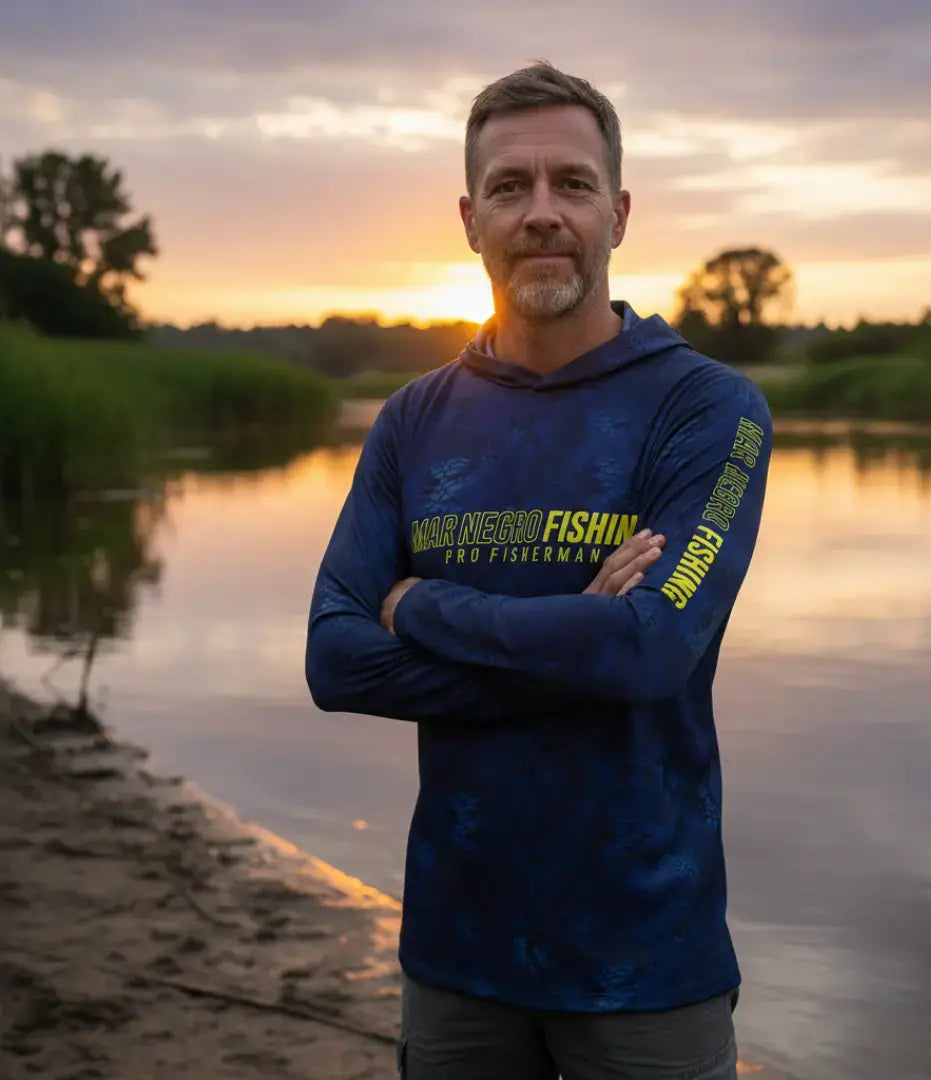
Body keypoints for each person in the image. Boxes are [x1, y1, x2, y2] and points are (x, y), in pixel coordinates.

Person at [306, 61, 772, 1080]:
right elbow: (335, 659)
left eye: (573, 183)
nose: (544, 213)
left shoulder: (708, 410)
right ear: (470, 220)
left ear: (621, 211)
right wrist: (578, 639)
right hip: (457, 949)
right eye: (512, 188)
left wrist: (419, 603)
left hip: (647, 956)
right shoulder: (414, 421)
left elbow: (649, 650)